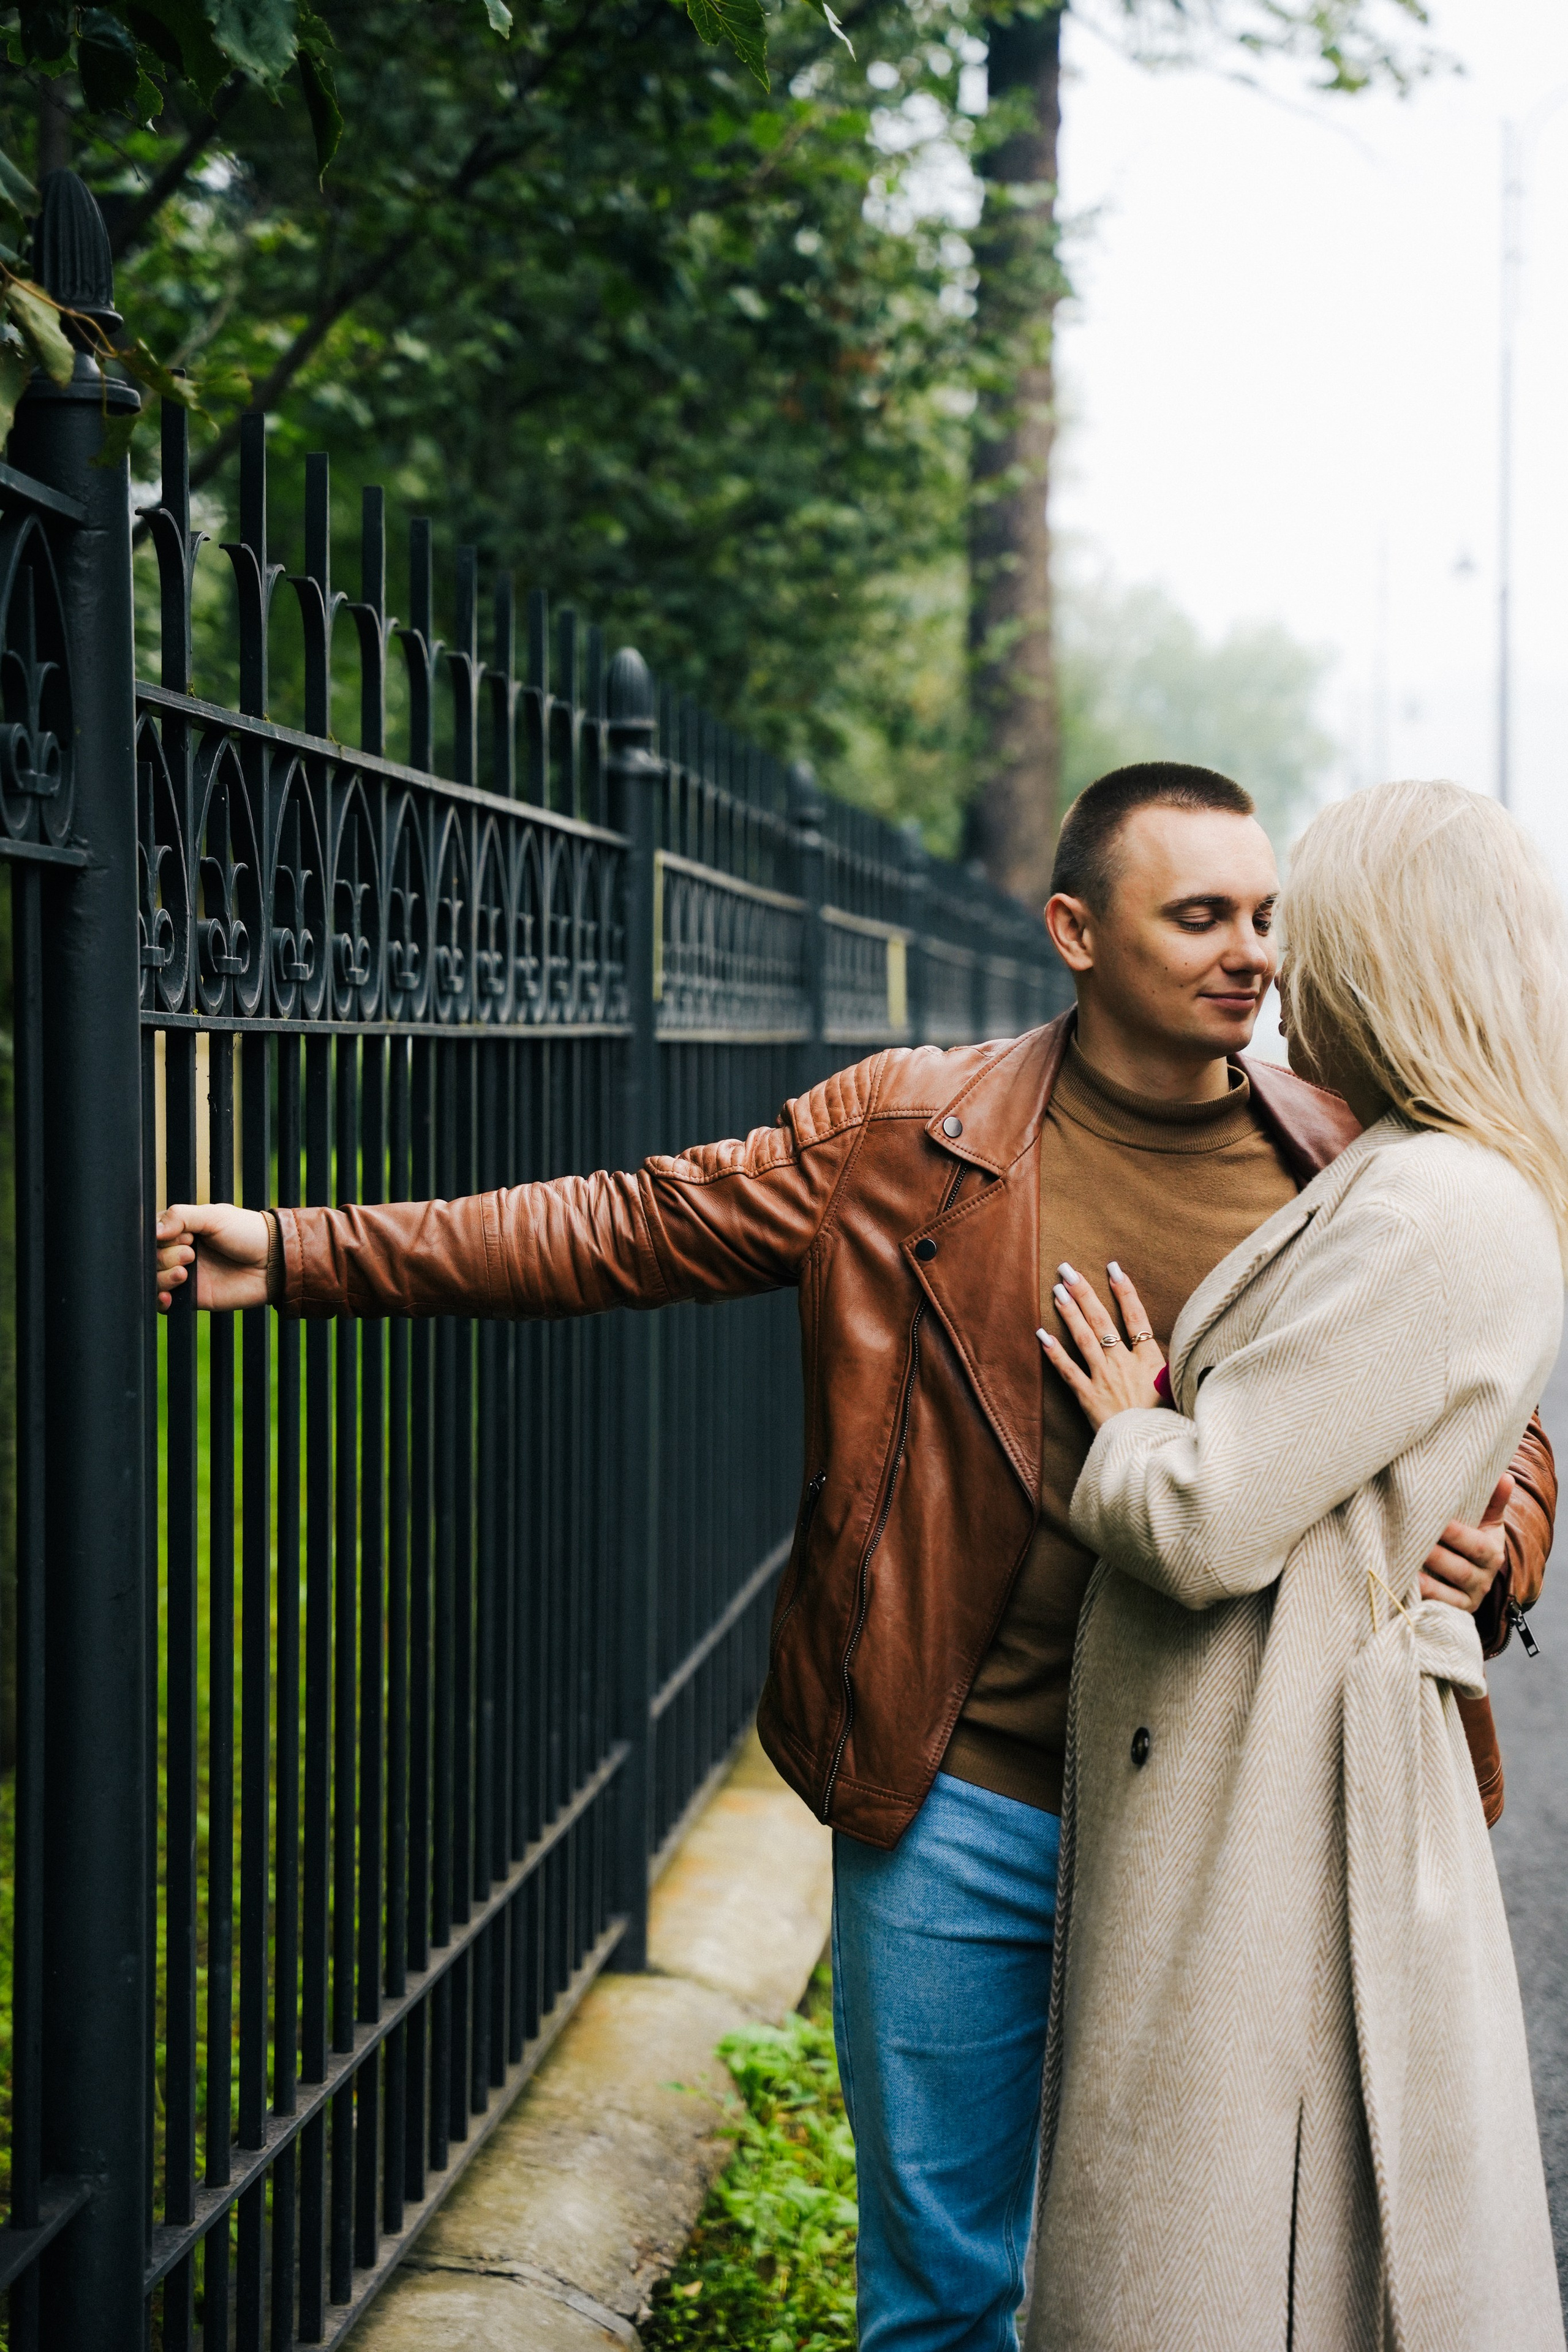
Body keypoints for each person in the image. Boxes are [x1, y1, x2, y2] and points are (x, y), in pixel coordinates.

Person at [156, 764, 1555, 2352]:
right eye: (1201, 916)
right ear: (1075, 932)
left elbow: (1474, 1398)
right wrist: (304, 1251)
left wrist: (1503, 1536)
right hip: (963, 1792)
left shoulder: (1342, 1153)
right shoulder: (912, 1137)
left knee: (1189, 2279)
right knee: (944, 2286)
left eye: (1265, 915)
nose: (1252, 954)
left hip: (1226, 1828)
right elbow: (625, 1226)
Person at [1027, 777, 1567, 2351]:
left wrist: (1129, 1427)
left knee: (1223, 2243)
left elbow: (1204, 1519)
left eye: (1300, 931)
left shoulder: (1435, 1204)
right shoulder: (1417, 1172)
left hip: (1276, 1787)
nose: (1274, 965)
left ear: (1383, 962)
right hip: (1252, 1768)